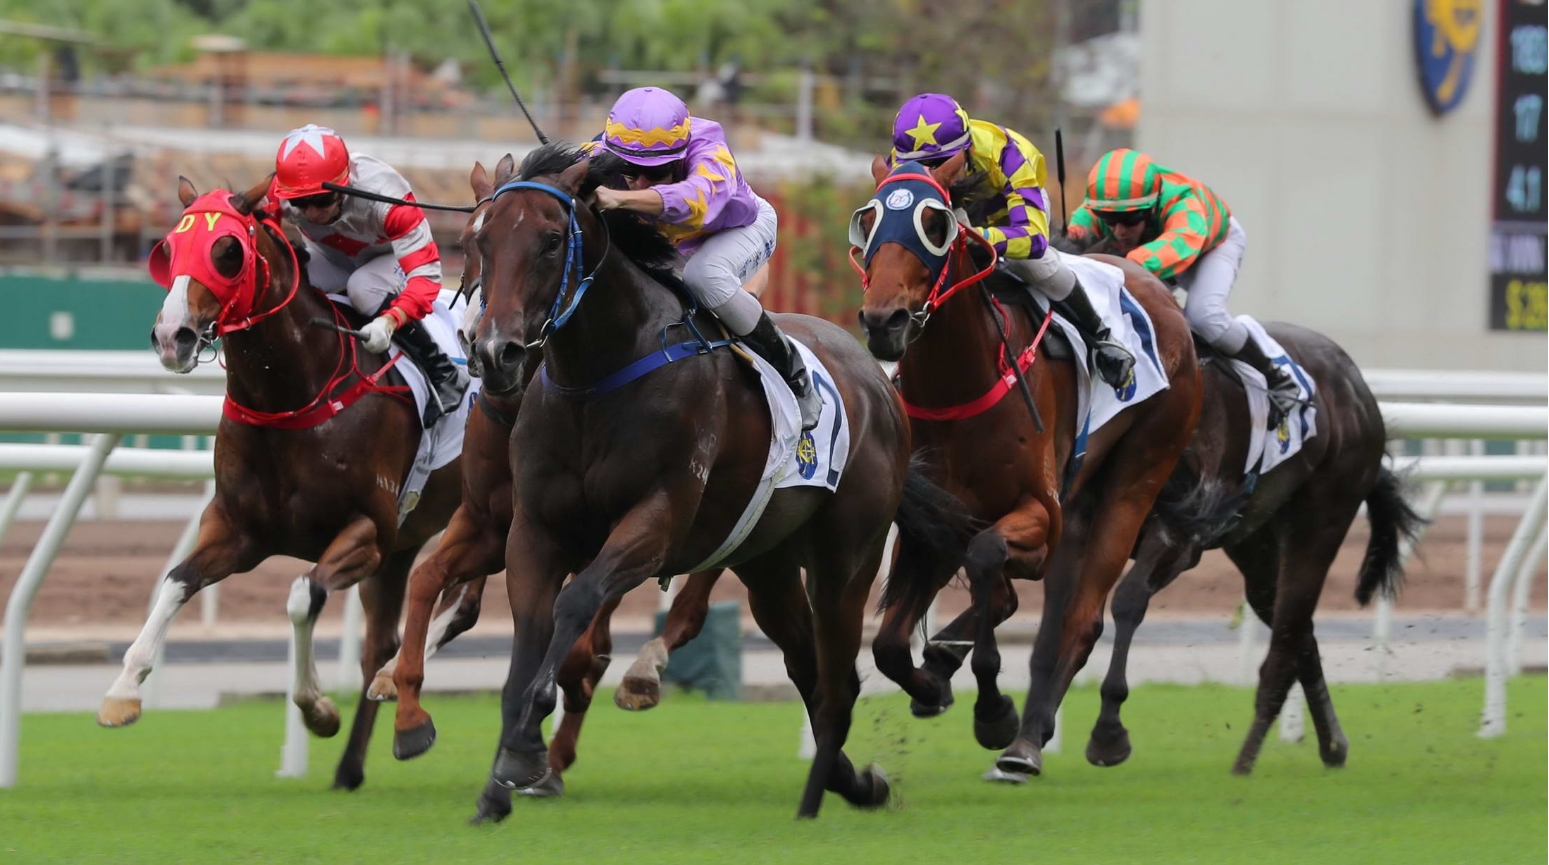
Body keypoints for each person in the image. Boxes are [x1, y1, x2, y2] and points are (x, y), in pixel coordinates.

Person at [589, 87, 821, 430]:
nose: (638, 182)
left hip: (737, 230)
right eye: (627, 169)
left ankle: (792, 369)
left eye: (654, 173)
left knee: (704, 277)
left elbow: (694, 201)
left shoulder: (710, 149)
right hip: (669, 245)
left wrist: (620, 199)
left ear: (680, 155)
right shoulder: (603, 148)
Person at [888, 93, 1133, 389]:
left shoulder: (1004, 152)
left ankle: (1101, 337)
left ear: (966, 149)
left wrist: (976, 237)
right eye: (921, 166)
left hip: (1007, 208)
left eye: (940, 163)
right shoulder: (900, 162)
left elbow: (1033, 239)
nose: (934, 173)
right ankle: (906, 363)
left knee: (1036, 264)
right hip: (948, 212)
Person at [1069, 148, 1299, 414]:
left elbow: (1173, 247)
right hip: (1152, 250)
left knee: (1204, 317)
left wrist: (1124, 263)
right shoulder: (1106, 207)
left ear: (1153, 204)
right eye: (1110, 219)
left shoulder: (1182, 203)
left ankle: (1276, 377)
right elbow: (1076, 239)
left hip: (1210, 245)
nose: (1119, 229)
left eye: (1131, 218)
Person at [269, 123, 468, 426]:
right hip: (331, 256)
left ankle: (442, 371)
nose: (310, 213)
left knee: (362, 288)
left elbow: (426, 279)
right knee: (288, 283)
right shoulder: (281, 193)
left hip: (388, 257)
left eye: (321, 201)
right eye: (299, 203)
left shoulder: (387, 197)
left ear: (344, 183)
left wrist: (390, 321)